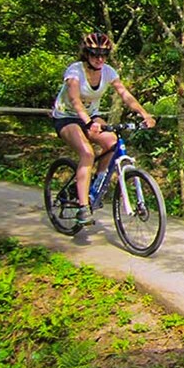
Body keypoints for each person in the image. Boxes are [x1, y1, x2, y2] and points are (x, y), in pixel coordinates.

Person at [51, 32, 156, 224]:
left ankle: (96, 184)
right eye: (94, 54)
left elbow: (125, 94)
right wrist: (89, 123)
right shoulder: (75, 71)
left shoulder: (108, 72)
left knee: (112, 142)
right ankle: (83, 207)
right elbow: (75, 100)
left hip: (91, 117)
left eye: (103, 55)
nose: (99, 59)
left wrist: (144, 114)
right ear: (86, 54)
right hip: (67, 117)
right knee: (87, 153)